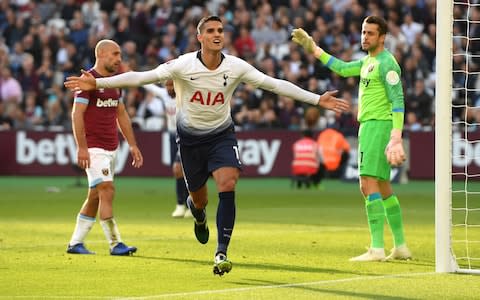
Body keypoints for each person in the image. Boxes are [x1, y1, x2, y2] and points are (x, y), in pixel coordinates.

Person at [65, 15, 349, 275]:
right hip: (190, 142)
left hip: (222, 136)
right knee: (199, 200)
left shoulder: (236, 66)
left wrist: (316, 99)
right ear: (199, 37)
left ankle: (221, 252)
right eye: (211, 30)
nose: (217, 34)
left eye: (221, 30)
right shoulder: (182, 65)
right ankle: (198, 215)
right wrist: (100, 83)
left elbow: (274, 84)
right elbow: (141, 77)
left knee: (228, 181)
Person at [292, 15, 412, 262]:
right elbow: (343, 68)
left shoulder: (387, 63)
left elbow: (398, 101)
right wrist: (313, 48)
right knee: (382, 186)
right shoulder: (369, 61)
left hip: (377, 126)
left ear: (382, 37)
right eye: (363, 32)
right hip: (372, 126)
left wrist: (396, 137)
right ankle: (400, 246)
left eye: (370, 33)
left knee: (366, 183)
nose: (364, 37)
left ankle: (377, 249)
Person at [66, 39, 144, 256]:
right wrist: (82, 147)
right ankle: (115, 243)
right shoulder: (88, 80)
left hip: (111, 148)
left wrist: (133, 144)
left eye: (120, 55)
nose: (119, 59)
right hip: (94, 148)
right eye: (115, 54)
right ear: (100, 54)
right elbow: (77, 114)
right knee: (107, 190)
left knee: (95, 195)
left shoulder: (113, 81)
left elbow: (121, 114)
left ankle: (75, 243)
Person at [142, 80, 192, 218]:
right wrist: (131, 73)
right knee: (178, 171)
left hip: (185, 136)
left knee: (179, 168)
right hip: (171, 136)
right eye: (167, 85)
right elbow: (148, 85)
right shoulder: (164, 94)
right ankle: (185, 205)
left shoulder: (185, 95)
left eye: (172, 85)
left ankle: (182, 204)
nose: (169, 88)